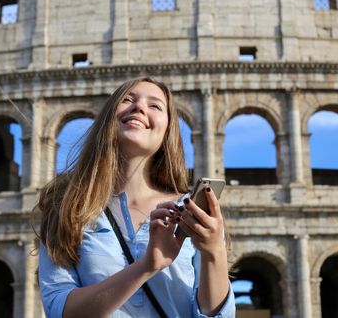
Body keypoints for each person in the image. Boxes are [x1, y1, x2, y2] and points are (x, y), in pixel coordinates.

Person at [36, 76, 235, 317]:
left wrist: (214, 251)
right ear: (109, 117)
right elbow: (59, 310)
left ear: (168, 130)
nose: (139, 107)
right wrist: (147, 266)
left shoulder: (191, 211)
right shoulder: (66, 206)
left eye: (155, 106)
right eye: (127, 99)